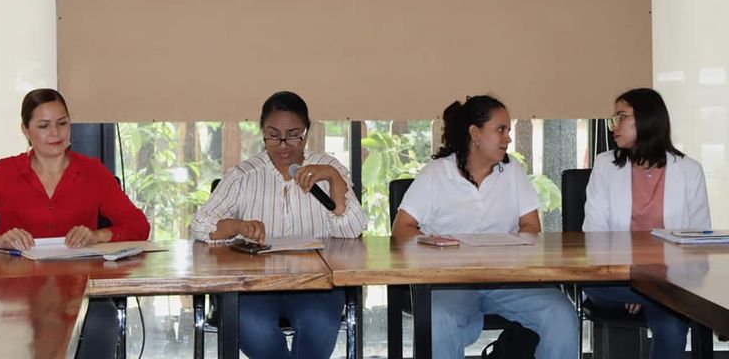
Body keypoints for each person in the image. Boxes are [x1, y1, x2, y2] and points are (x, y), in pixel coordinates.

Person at [0, 88, 150, 359]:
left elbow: (139, 226)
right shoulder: (4, 172)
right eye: (43, 126)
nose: (55, 133)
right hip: (17, 295)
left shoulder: (93, 172)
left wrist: (98, 234)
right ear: (25, 129)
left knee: (102, 323)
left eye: (62, 123)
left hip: (82, 291)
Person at [392, 96, 578, 359]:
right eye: (500, 130)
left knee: (561, 315)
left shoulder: (511, 170)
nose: (508, 139)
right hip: (450, 282)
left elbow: (531, 226)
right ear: (475, 133)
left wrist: (512, 249)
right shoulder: (437, 173)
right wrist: (437, 246)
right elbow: (402, 228)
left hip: (508, 280)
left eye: (509, 131)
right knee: (437, 317)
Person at [190, 91, 366, 359]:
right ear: (262, 132)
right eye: (273, 135)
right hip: (255, 287)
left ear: (306, 132)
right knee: (252, 327)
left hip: (315, 284)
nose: (283, 145)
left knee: (319, 324)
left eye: (293, 135)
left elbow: (352, 229)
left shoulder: (327, 168)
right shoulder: (244, 175)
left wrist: (331, 178)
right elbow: (200, 226)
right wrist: (238, 226)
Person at [583, 87, 711, 359]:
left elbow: (699, 242)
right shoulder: (605, 165)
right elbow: (594, 235)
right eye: (614, 118)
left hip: (672, 280)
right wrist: (631, 281)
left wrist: (649, 287)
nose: (613, 126)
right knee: (677, 306)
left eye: (621, 116)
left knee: (673, 328)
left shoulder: (689, 171)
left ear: (647, 119)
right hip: (613, 280)